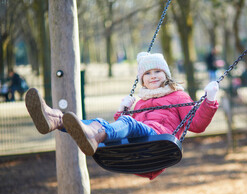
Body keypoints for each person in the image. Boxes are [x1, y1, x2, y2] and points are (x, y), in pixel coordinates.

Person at [25, 52, 219, 180]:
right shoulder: (140, 102)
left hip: (158, 143)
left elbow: (197, 125)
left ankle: (91, 134)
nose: (153, 76)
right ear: (141, 79)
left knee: (119, 124)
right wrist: (122, 111)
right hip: (136, 148)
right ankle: (56, 120)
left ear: (166, 74)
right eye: (148, 73)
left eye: (158, 71)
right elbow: (120, 129)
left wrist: (209, 100)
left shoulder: (178, 95)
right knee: (102, 123)